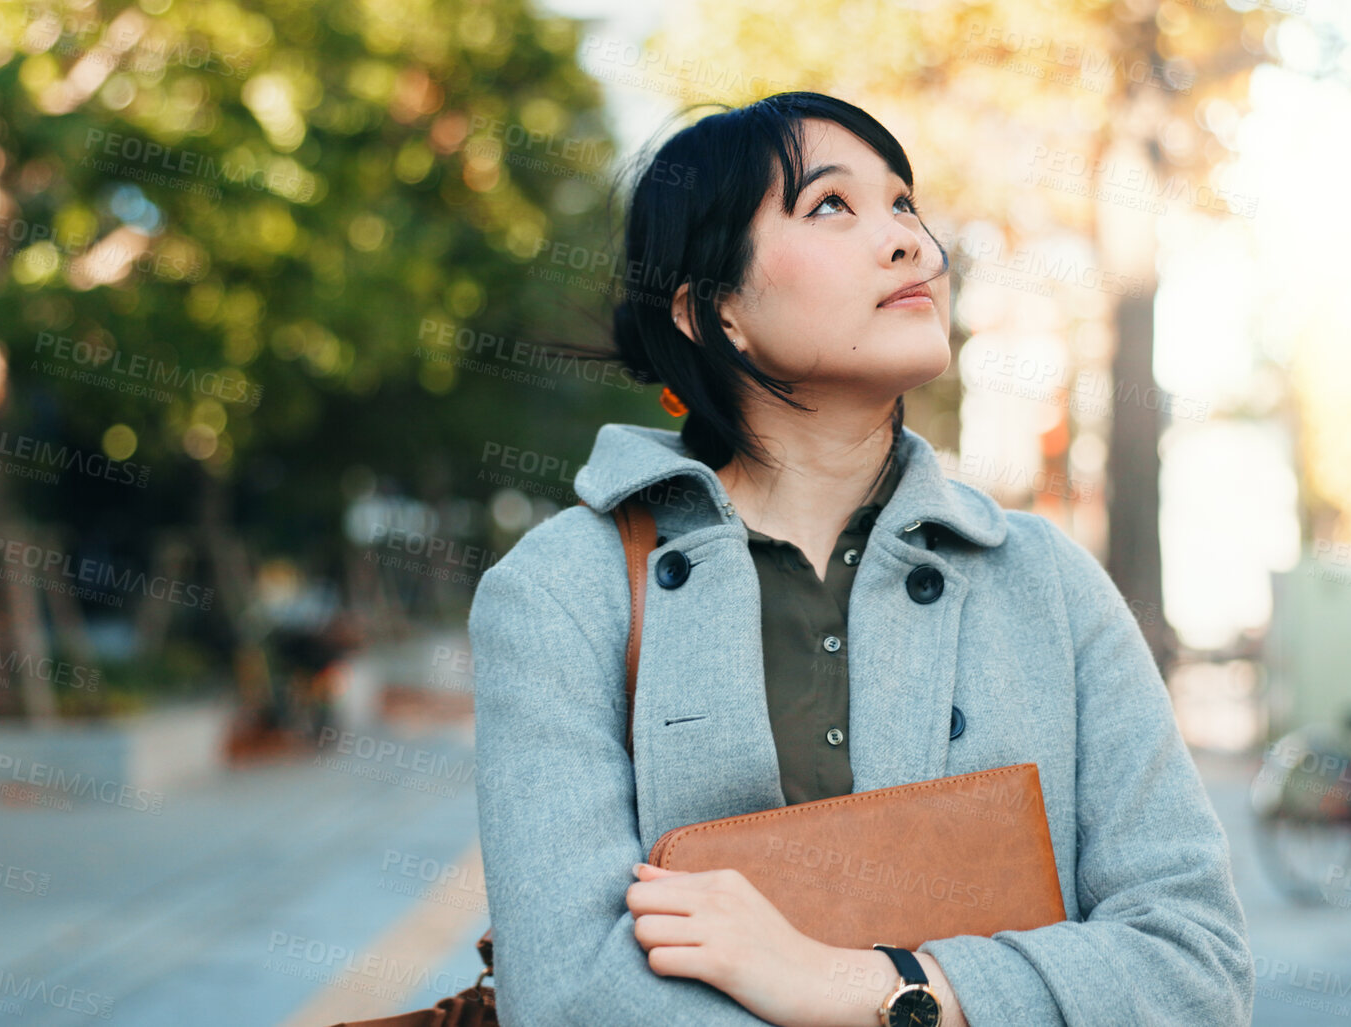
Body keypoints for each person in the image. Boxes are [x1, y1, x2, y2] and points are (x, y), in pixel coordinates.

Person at [467, 91, 1252, 1026]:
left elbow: (1193, 966)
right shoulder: (562, 592)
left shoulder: (1044, 580)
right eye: (830, 205)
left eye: (905, 204)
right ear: (712, 309)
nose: (911, 244)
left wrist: (860, 986)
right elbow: (565, 996)